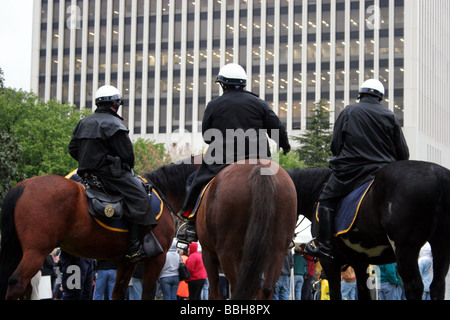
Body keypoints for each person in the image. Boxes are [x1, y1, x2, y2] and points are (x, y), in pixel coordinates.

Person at [177, 63, 291, 242]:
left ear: (223, 84)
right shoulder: (259, 103)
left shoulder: (214, 104)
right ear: (244, 83)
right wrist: (285, 145)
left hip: (222, 157)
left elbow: (207, 135)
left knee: (195, 181)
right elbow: (276, 127)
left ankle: (190, 224)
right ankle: (285, 229)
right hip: (258, 158)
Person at [306, 79, 410, 260]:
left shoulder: (349, 111)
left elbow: (335, 145)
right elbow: (403, 153)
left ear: (361, 95)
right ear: (380, 98)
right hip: (381, 172)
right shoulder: (390, 116)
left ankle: (325, 246)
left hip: (350, 172)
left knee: (326, 201)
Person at [68, 85, 161, 262]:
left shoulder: (84, 122)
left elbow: (72, 149)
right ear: (115, 104)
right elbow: (127, 156)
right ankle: (134, 247)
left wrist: (88, 161)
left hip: (86, 174)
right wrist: (118, 165)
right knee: (140, 195)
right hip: (109, 175)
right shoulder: (115, 124)